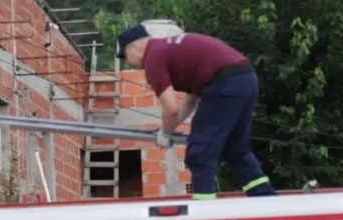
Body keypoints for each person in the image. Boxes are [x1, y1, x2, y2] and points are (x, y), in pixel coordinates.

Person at [116, 24, 277, 200]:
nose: (128, 62)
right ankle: (265, 198)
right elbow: (191, 99)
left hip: (224, 84)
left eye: (125, 56)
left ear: (134, 47)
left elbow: (170, 107)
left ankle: (204, 212)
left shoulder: (153, 59)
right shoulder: (169, 48)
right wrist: (168, 128)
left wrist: (165, 133)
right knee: (236, 148)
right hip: (245, 79)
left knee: (199, 152)